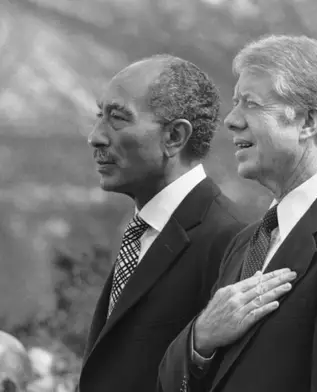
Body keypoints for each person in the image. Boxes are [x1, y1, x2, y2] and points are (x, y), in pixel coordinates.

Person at [158, 35, 317, 392]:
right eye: (234, 103)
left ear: (308, 122)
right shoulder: (247, 242)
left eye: (251, 104)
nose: (231, 120)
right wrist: (200, 339)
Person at [79, 55, 247, 392]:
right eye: (100, 116)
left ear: (174, 136)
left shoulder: (231, 240)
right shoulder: (142, 230)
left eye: (117, 119)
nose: (95, 137)